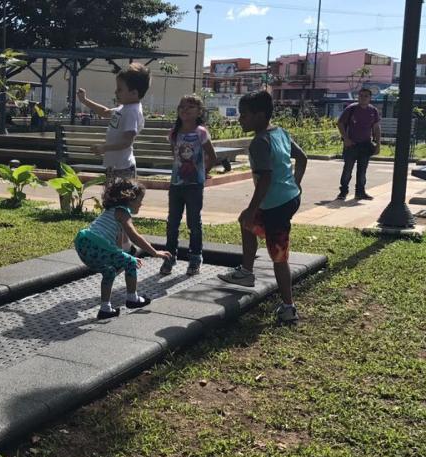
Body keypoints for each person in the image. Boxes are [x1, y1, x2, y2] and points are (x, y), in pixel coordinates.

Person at [218, 91, 308, 325]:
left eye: (244, 115)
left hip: (276, 205)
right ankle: (247, 273)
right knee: (245, 223)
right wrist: (295, 183)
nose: (240, 120)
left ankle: (289, 308)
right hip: (290, 198)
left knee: (279, 256)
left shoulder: (259, 142)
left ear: (259, 116)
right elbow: (303, 158)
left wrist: (251, 209)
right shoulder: (280, 132)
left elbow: (265, 179)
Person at [74, 178, 172, 320]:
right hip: (95, 243)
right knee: (131, 262)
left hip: (83, 244)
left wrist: (124, 257)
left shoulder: (111, 211)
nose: (141, 203)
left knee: (110, 271)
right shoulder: (123, 212)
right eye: (139, 199)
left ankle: (105, 309)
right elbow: (134, 236)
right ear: (130, 199)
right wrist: (155, 252)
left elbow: (116, 245)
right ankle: (132, 299)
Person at [161, 95, 218, 277]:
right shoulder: (174, 132)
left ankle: (195, 257)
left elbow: (212, 155)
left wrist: (203, 172)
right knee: (172, 222)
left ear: (199, 112)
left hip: (194, 185)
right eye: (182, 107)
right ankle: (170, 257)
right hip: (176, 184)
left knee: (194, 222)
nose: (185, 110)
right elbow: (175, 156)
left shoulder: (201, 132)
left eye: (191, 107)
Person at [76, 62, 151, 182]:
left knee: (121, 199)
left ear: (134, 93)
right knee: (111, 198)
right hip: (115, 165)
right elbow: (105, 112)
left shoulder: (132, 112)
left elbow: (127, 142)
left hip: (123, 168)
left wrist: (104, 148)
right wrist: (84, 100)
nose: (115, 92)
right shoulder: (124, 108)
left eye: (120, 89)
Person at [336, 88, 381, 201]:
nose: (363, 98)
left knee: (362, 171)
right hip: (351, 145)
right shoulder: (351, 109)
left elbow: (376, 127)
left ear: (370, 98)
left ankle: (360, 192)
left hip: (365, 145)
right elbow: (340, 123)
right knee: (347, 170)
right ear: (358, 97)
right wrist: (346, 139)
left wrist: (378, 144)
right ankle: (343, 192)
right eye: (361, 95)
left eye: (366, 96)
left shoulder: (373, 111)